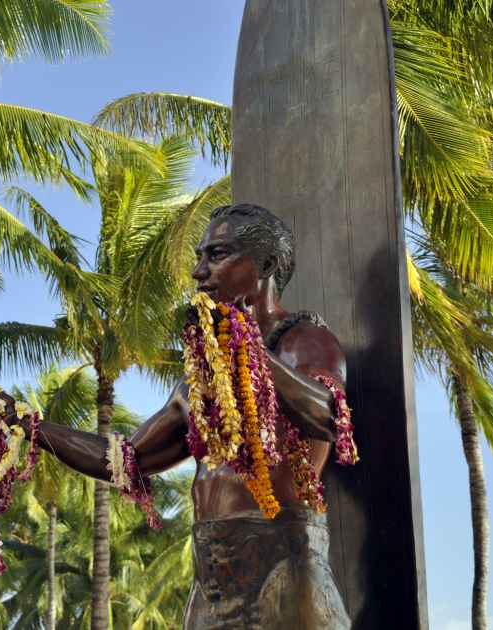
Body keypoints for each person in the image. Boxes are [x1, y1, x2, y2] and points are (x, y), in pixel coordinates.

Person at [28, 203, 351, 629]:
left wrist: (251, 355)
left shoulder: (302, 340)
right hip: (211, 580)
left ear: (266, 264)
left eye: (217, 255)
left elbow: (331, 418)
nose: (199, 272)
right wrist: (32, 429)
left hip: (284, 565)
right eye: (200, 257)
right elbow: (127, 461)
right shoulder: (199, 380)